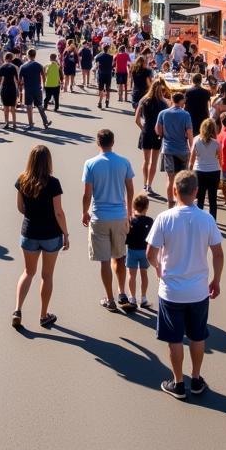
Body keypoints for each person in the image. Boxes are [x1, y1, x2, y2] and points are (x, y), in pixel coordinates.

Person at [146, 170, 224, 399]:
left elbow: (150, 253)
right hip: (198, 291)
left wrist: (158, 267)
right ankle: (197, 379)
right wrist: (216, 280)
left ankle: (179, 383)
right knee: (198, 337)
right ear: (197, 191)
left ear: (174, 190)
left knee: (174, 339)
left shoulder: (164, 218)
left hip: (171, 291)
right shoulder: (207, 219)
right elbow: (218, 253)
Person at [13, 145, 69, 329]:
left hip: (29, 232)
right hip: (50, 234)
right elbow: (58, 212)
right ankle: (43, 315)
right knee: (47, 275)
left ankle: (17, 310)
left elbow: (21, 208)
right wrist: (66, 234)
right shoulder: (53, 183)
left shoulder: (22, 180)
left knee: (28, 272)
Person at [82, 128, 136, 312]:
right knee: (120, 256)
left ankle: (110, 298)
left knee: (104, 260)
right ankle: (122, 292)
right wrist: (129, 212)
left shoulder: (90, 164)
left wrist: (84, 212)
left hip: (99, 216)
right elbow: (130, 189)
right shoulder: (124, 162)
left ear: (98, 143)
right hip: (120, 216)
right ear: (113, 142)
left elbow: (87, 194)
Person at [156, 92, 193, 208]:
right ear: (181, 101)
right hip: (182, 150)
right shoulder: (185, 114)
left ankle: (170, 202)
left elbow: (158, 131)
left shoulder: (163, 113)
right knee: (182, 178)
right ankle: (180, 202)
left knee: (170, 178)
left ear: (172, 100)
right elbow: (189, 133)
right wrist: (191, 147)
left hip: (168, 149)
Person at [135, 79, 168, 198]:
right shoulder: (163, 103)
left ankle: (144, 183)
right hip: (157, 133)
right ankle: (149, 185)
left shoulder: (144, 100)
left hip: (147, 130)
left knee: (146, 160)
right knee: (154, 161)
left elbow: (137, 119)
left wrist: (142, 128)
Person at [126, 193, 154, 308]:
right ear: (146, 207)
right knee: (144, 274)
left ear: (133, 207)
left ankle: (132, 298)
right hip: (145, 251)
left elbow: (126, 236)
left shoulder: (130, 220)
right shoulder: (150, 221)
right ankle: (143, 298)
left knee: (131, 275)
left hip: (132, 250)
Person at [190, 118, 221, 219]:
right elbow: (220, 159)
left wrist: (190, 172)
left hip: (199, 171)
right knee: (213, 200)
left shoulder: (196, 140)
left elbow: (192, 159)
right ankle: (213, 222)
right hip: (214, 172)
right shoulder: (216, 143)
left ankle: (199, 220)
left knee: (200, 199)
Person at [19, 49, 51, 130]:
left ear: (27, 55)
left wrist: (21, 87)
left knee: (29, 107)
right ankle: (45, 121)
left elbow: (20, 81)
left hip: (28, 89)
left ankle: (31, 124)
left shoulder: (23, 66)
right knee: (40, 105)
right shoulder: (39, 65)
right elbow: (44, 77)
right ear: (35, 55)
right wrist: (44, 87)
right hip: (37, 88)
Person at [0, 52, 20, 130]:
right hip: (12, 88)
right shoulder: (14, 67)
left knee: (6, 107)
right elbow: (17, 79)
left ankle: (6, 123)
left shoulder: (2, 67)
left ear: (5, 58)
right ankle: (14, 124)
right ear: (11, 58)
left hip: (5, 87)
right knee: (13, 107)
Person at [94, 44, 114, 109]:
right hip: (108, 74)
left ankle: (100, 102)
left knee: (101, 89)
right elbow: (112, 64)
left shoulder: (99, 56)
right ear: (108, 49)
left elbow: (96, 64)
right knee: (108, 89)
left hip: (101, 74)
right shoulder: (111, 57)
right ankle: (107, 101)